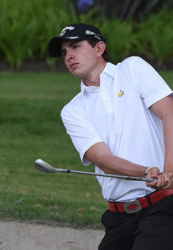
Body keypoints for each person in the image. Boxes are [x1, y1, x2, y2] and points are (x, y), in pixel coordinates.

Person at [47, 23, 173, 249]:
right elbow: (104, 161)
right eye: (65, 52)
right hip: (119, 217)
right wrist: (145, 171)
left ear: (99, 48)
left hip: (163, 207)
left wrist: (169, 169)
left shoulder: (133, 69)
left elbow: (169, 112)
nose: (69, 56)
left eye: (75, 46)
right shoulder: (73, 110)